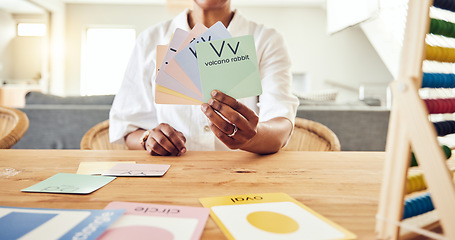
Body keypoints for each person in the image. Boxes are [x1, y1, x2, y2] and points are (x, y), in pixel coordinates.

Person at [109, 0, 299, 156]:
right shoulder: (150, 40)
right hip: (171, 176)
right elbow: (127, 127)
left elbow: (280, 124)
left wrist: (253, 137)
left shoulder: (267, 40)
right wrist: (149, 138)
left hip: (243, 174)